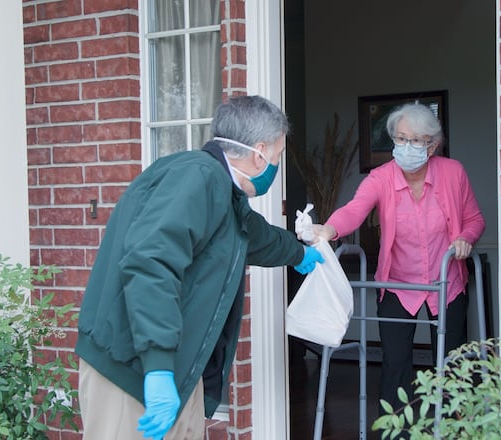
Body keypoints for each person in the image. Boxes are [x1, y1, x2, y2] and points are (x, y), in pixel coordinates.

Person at [75, 95, 324, 440]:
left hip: (172, 364)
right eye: (278, 156)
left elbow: (254, 235)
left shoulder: (223, 192)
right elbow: (151, 262)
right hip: (132, 367)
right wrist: (159, 367)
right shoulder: (198, 177)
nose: (276, 166)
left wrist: (298, 253)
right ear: (259, 153)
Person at [309, 102, 485, 414]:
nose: (406, 146)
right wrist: (331, 229)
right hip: (397, 283)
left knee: (451, 362)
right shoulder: (382, 177)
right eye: (401, 139)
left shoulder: (453, 172)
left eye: (416, 140)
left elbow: (475, 220)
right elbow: (356, 208)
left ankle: (454, 428)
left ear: (432, 145)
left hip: (447, 283)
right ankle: (396, 432)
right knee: (395, 364)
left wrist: (464, 239)